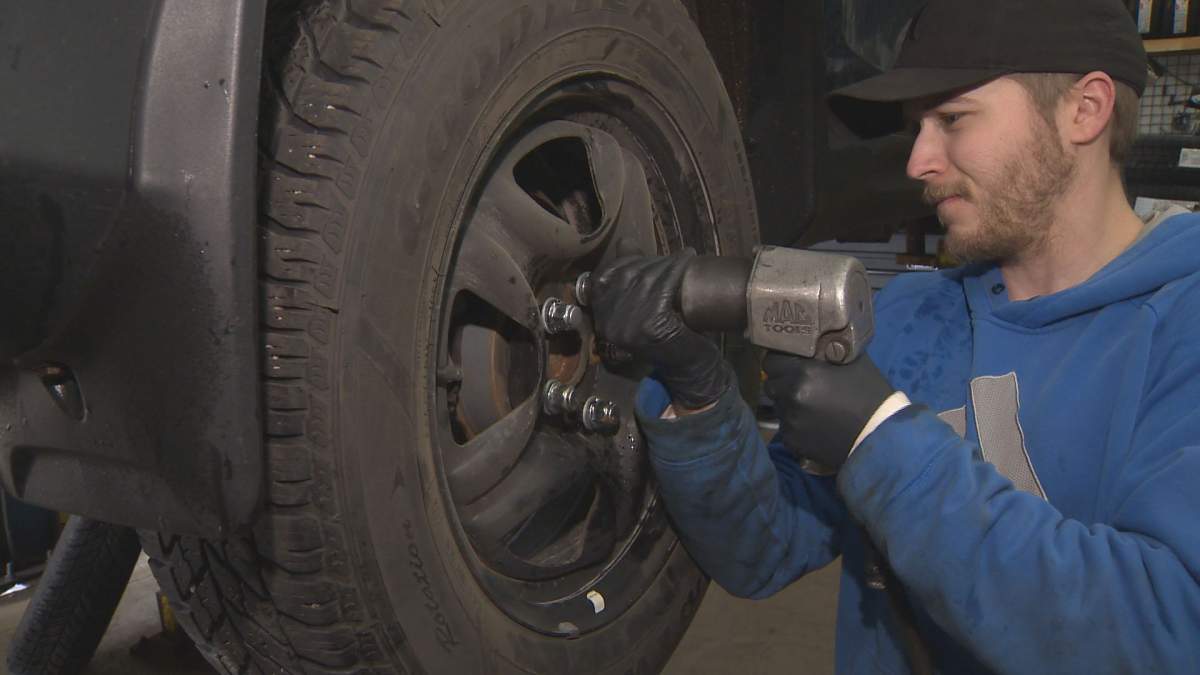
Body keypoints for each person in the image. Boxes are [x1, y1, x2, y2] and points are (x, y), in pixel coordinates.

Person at [589, 0, 1200, 672]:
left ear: (1085, 110)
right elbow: (761, 550)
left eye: (952, 119)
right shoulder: (914, 315)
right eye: (916, 128)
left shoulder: (1181, 324)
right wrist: (697, 394)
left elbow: (1164, 631)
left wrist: (879, 437)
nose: (917, 161)